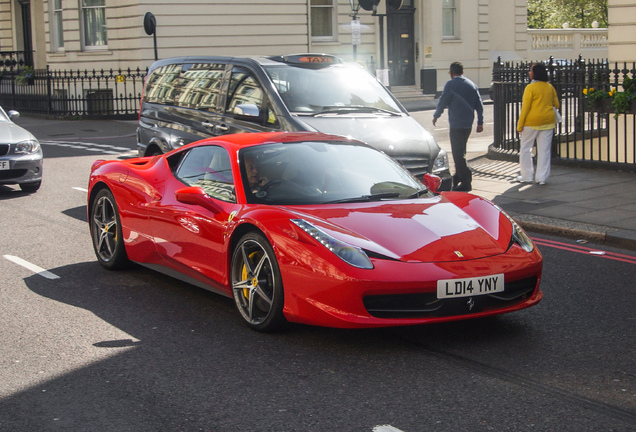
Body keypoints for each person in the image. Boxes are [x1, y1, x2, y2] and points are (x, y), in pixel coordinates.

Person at [433, 62, 484, 192]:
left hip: (456, 124)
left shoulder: (450, 84)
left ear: (451, 73)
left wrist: (436, 115)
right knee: (461, 152)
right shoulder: (471, 84)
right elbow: (479, 104)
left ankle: (466, 180)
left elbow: (443, 101)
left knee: (457, 153)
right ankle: (458, 177)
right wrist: (480, 122)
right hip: (468, 124)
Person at [516, 62, 560, 185]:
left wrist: (520, 125)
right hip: (548, 121)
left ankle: (527, 175)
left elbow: (525, 108)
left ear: (535, 73)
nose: (529, 72)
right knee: (544, 151)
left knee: (525, 148)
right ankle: (541, 178)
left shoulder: (530, 88)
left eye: (531, 70)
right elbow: (556, 104)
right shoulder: (550, 87)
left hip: (531, 122)